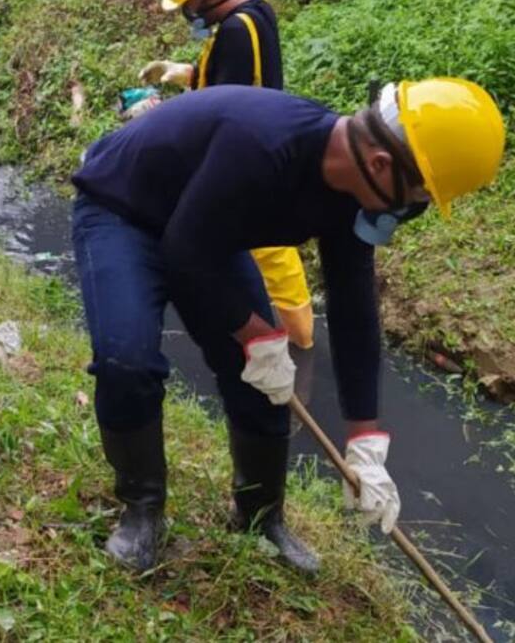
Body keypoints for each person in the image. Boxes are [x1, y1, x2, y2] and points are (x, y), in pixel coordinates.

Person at [71, 79, 504, 575]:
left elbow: (353, 305)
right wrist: (255, 334)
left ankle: (261, 517)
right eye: (417, 197)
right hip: (124, 211)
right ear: (382, 165)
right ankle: (143, 510)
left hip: (207, 229)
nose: (410, 211)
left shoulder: (351, 190)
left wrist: (365, 439)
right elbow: (183, 251)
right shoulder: (263, 143)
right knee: (127, 359)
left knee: (263, 383)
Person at [139, 0, 317, 412]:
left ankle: (296, 351)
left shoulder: (237, 31)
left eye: (186, 2)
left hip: (250, 162)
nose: (186, 12)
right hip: (266, 147)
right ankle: (293, 340)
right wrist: (184, 72)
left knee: (265, 250)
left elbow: (225, 107)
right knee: (271, 255)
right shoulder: (253, 9)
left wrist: (162, 117)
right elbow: (235, 78)